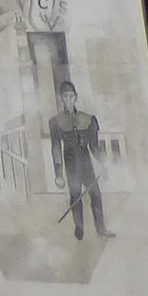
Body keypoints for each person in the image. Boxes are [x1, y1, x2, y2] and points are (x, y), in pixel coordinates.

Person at [49, 80, 111, 241]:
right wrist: (58, 174)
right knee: (75, 196)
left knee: (96, 194)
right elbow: (56, 148)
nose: (69, 100)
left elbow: (94, 146)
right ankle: (79, 227)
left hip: (86, 163)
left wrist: (104, 164)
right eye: (65, 97)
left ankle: (101, 228)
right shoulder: (55, 122)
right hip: (70, 165)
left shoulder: (89, 119)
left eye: (71, 96)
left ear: (75, 97)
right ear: (62, 99)